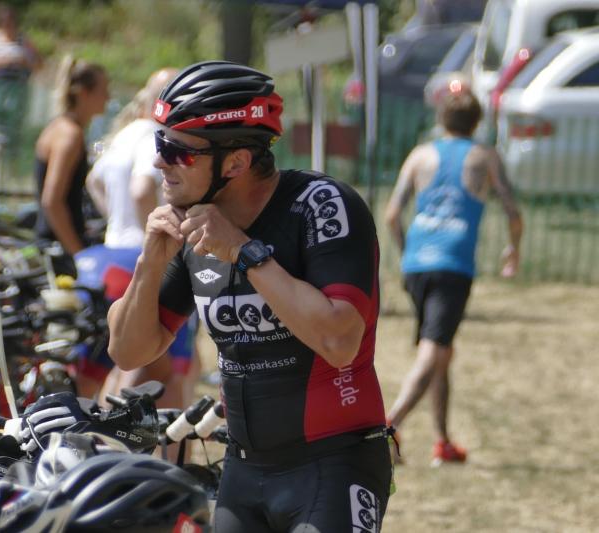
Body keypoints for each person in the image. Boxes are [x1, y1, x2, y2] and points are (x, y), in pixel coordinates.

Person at [107, 61, 392, 533]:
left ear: (236, 163)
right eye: (160, 143)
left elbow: (340, 341)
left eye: (178, 151)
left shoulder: (321, 205)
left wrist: (245, 253)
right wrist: (149, 263)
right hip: (244, 471)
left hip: (335, 463)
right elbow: (128, 350)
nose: (159, 162)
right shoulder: (193, 224)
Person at [384, 84, 523, 465]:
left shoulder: (419, 155)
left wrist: (406, 253)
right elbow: (513, 211)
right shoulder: (484, 156)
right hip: (453, 263)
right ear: (477, 122)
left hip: (417, 262)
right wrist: (513, 250)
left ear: (441, 118)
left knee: (441, 352)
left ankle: (442, 441)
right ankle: (388, 427)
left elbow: (392, 214)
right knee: (434, 351)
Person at [81, 68, 200, 414]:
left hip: (110, 253)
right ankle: (144, 439)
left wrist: (115, 221)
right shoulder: (157, 137)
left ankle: (108, 430)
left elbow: (93, 181)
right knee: (165, 368)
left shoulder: (126, 133)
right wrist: (159, 229)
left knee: (123, 362)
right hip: (141, 255)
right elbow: (141, 188)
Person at [33, 56, 109, 261]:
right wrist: (79, 256)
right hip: (59, 248)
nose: (108, 98)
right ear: (83, 93)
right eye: (103, 91)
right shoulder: (69, 136)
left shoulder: (60, 127)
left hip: (58, 241)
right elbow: (52, 201)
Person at [0, 3, 41, 150]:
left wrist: (23, 61)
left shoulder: (24, 40)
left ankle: (11, 151)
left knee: (14, 122)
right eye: (4, 22)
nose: (8, 25)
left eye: (11, 21)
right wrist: (2, 61)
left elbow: (39, 64)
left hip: (17, 86)